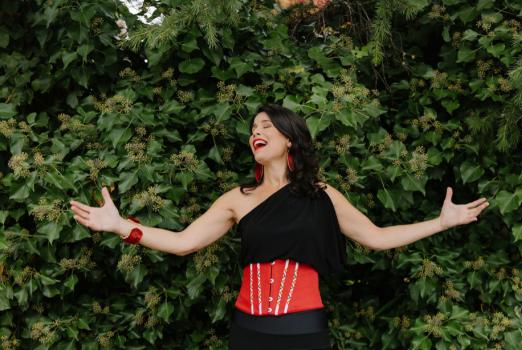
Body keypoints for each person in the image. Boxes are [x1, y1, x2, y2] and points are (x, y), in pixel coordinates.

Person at [70, 104, 489, 349]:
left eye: (266, 126)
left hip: (302, 330)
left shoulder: (321, 194)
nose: (257, 132)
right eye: (253, 128)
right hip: (247, 329)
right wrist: (123, 226)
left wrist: (441, 221)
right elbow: (183, 243)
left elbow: (376, 238)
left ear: (290, 138)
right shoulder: (238, 198)